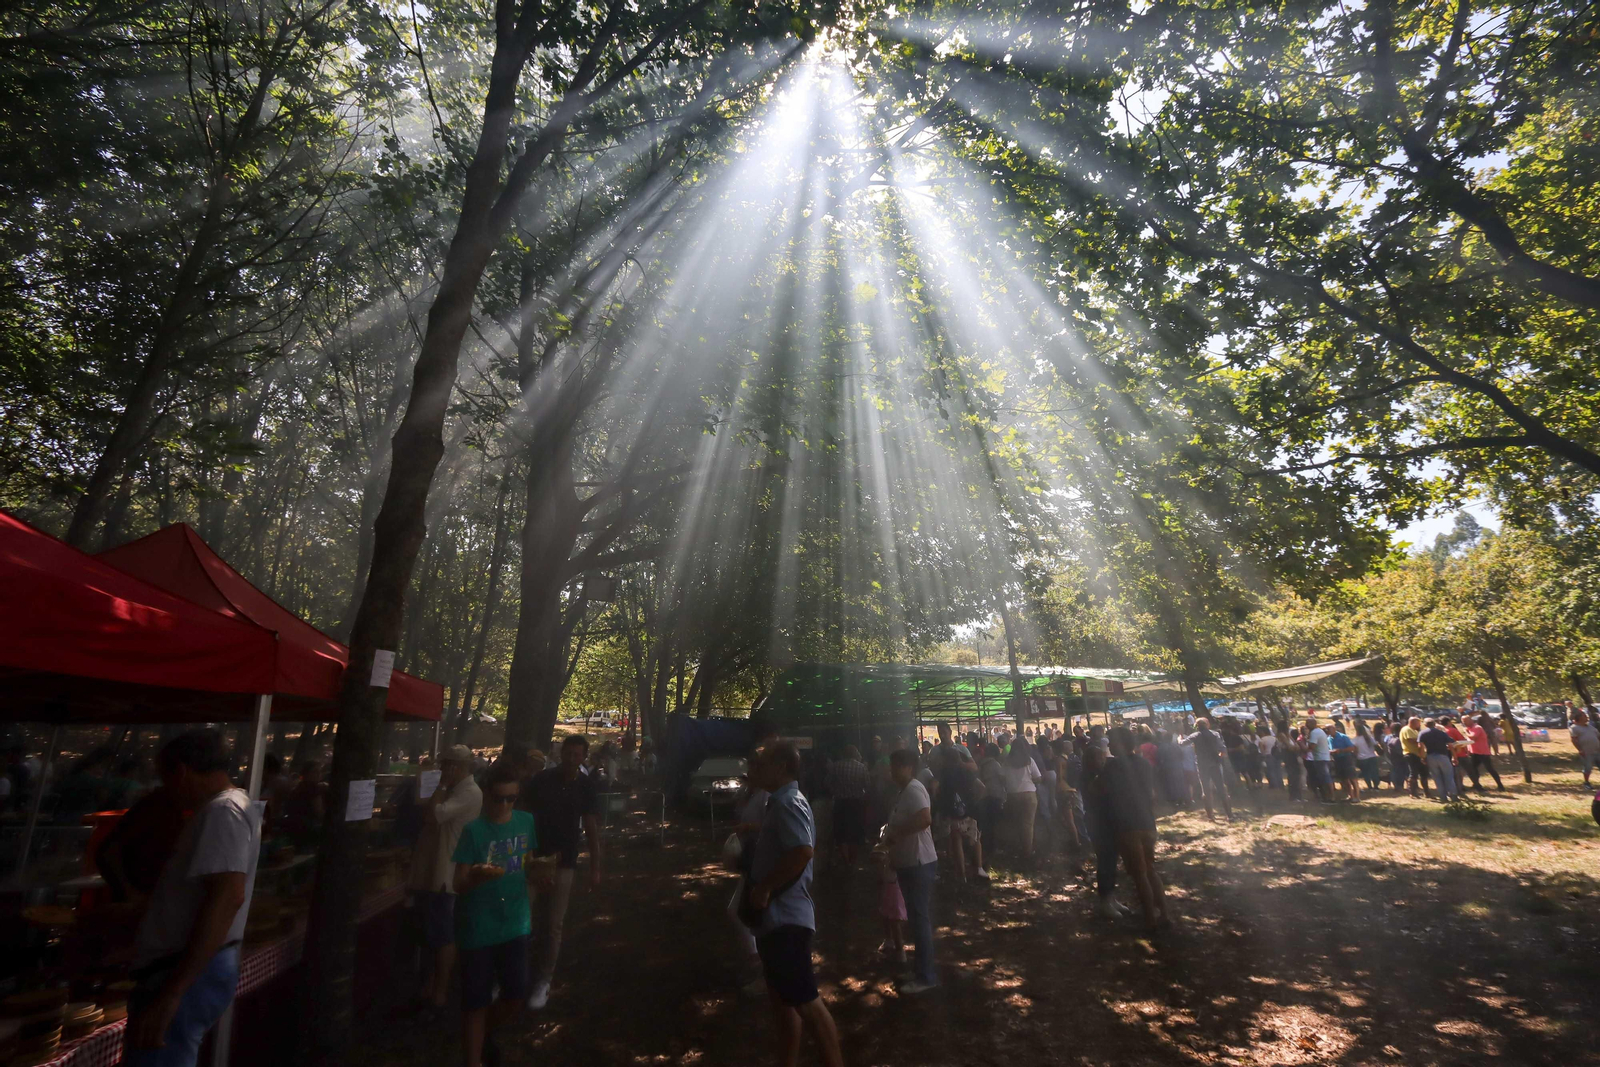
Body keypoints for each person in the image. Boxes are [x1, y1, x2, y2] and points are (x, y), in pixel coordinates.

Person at [124, 731, 261, 1067]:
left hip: (183, 968)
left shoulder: (223, 811)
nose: (165, 789)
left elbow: (228, 895)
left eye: (164, 777)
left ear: (182, 772)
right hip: (192, 966)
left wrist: (173, 992)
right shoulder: (228, 807)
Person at [744, 743, 845, 1064]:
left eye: (762, 763)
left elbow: (802, 851)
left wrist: (765, 887)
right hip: (775, 920)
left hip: (786, 921)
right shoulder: (779, 802)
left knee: (806, 1003)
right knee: (784, 1003)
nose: (756, 769)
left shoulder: (789, 803)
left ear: (781, 767)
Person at [452, 763, 543, 1067]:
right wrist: (476, 878)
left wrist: (540, 875)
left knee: (515, 995)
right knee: (475, 1001)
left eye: (511, 798)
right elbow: (458, 883)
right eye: (498, 798)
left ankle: (481, 1034)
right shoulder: (473, 831)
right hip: (478, 926)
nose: (504, 805)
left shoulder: (526, 821)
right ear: (486, 795)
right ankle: (473, 1058)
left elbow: (528, 864)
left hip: (515, 922)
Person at [519, 734, 603, 1010]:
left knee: (554, 924)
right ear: (560, 753)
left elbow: (591, 828)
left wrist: (595, 867)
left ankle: (544, 980)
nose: (571, 758)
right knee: (521, 919)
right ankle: (511, 974)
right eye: (568, 753)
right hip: (533, 859)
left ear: (583, 758)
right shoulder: (541, 780)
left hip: (565, 862)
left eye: (577, 754)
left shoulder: (586, 786)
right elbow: (523, 816)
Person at [406, 745, 482, 1018]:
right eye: (443, 764)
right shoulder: (455, 790)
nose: (444, 769)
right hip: (434, 869)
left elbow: (431, 815)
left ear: (459, 767)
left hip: (445, 873)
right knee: (433, 933)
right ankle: (429, 987)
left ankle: (440, 993)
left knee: (443, 935)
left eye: (448, 764)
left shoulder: (468, 792)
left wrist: (439, 785)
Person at [883, 748, 938, 994]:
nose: (892, 771)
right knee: (916, 921)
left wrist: (895, 834)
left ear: (908, 767)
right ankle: (920, 970)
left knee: (919, 921)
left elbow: (925, 818)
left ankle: (926, 976)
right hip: (909, 864)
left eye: (896, 766)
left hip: (919, 863)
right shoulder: (903, 792)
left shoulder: (914, 789)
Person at [1106, 728, 1169, 929]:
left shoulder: (1112, 766)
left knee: (1139, 874)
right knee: (1150, 869)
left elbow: (1104, 791)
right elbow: (1150, 793)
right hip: (1147, 822)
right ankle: (1164, 914)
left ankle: (1149, 919)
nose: (1109, 746)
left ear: (1120, 744)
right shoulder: (1144, 763)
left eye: (1111, 742)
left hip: (1127, 825)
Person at [1000, 741, 1041, 862]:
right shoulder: (1029, 760)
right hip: (1029, 795)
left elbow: (1002, 778)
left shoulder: (1006, 762)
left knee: (1016, 823)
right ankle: (1027, 852)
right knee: (1028, 825)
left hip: (1013, 795)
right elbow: (1038, 778)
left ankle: (1017, 849)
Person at [1187, 718, 1232, 820]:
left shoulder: (1195, 735)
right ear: (1207, 725)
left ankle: (1210, 816)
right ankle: (1229, 815)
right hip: (1215, 764)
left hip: (1202, 765)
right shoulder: (1215, 734)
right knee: (1221, 789)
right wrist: (1219, 757)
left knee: (1206, 790)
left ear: (1197, 726)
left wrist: (1180, 739)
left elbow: (1182, 743)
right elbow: (1223, 749)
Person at [872, 844, 906, 967]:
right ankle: (888, 940)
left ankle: (900, 951)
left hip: (895, 886)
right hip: (887, 884)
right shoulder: (886, 842)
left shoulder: (901, 851)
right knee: (885, 914)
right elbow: (877, 854)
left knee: (895, 920)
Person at [1417, 718, 1458, 801]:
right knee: (1448, 776)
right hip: (1443, 756)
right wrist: (1454, 757)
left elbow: (1420, 746)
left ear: (1425, 724)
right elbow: (1450, 745)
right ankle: (1453, 795)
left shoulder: (1422, 733)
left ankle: (1443, 797)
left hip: (1431, 756)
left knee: (1437, 777)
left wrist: (1422, 757)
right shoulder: (1441, 733)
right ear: (1434, 724)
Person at [1463, 714, 1505, 791]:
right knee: (1473, 769)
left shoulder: (1477, 727)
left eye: (1465, 721)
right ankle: (1476, 784)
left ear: (1471, 720)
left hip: (1483, 752)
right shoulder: (1469, 728)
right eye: (1463, 722)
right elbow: (1470, 741)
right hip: (1475, 752)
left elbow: (1474, 737)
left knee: (1490, 769)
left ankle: (1500, 786)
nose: (1464, 723)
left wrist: (1466, 732)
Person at [1398, 716, 1430, 798]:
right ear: (1413, 723)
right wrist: (1422, 741)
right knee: (1414, 773)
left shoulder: (1415, 730)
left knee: (1424, 773)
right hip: (1411, 754)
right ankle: (1412, 792)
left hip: (1419, 754)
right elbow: (1410, 740)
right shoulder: (1407, 729)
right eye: (1418, 723)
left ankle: (1427, 792)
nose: (1419, 724)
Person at [1328, 721, 1360, 802]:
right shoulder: (1329, 739)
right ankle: (1351, 796)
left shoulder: (1343, 737)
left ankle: (1357, 797)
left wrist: (1341, 750)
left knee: (1353, 779)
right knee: (1344, 779)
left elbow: (1352, 748)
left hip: (1346, 759)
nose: (1327, 731)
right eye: (1326, 730)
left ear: (1334, 729)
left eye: (1329, 729)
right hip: (1337, 760)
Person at [1304, 719, 1334, 803]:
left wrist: (1305, 746)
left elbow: (1312, 746)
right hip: (1323, 757)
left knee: (1325, 779)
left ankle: (1330, 798)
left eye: (1307, 723)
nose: (1306, 725)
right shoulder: (1319, 731)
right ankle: (1328, 796)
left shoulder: (1314, 733)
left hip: (1321, 758)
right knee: (1325, 778)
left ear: (1312, 724)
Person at [1570, 710, 1600, 787]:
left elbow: (1598, 737)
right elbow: (1574, 740)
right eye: (1584, 716)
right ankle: (1586, 782)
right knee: (1588, 768)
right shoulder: (1574, 728)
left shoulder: (1591, 727)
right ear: (1579, 718)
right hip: (1586, 752)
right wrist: (1580, 749)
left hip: (1597, 750)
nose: (1587, 717)